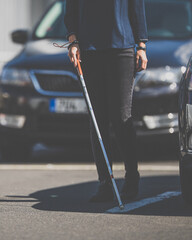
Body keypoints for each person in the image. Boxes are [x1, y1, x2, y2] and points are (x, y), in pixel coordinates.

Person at [64, 0, 148, 202]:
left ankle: (132, 177)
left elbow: (136, 7)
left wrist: (141, 45)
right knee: (97, 119)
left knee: (121, 117)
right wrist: (73, 41)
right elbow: (71, 9)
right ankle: (105, 182)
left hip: (122, 48)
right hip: (89, 50)